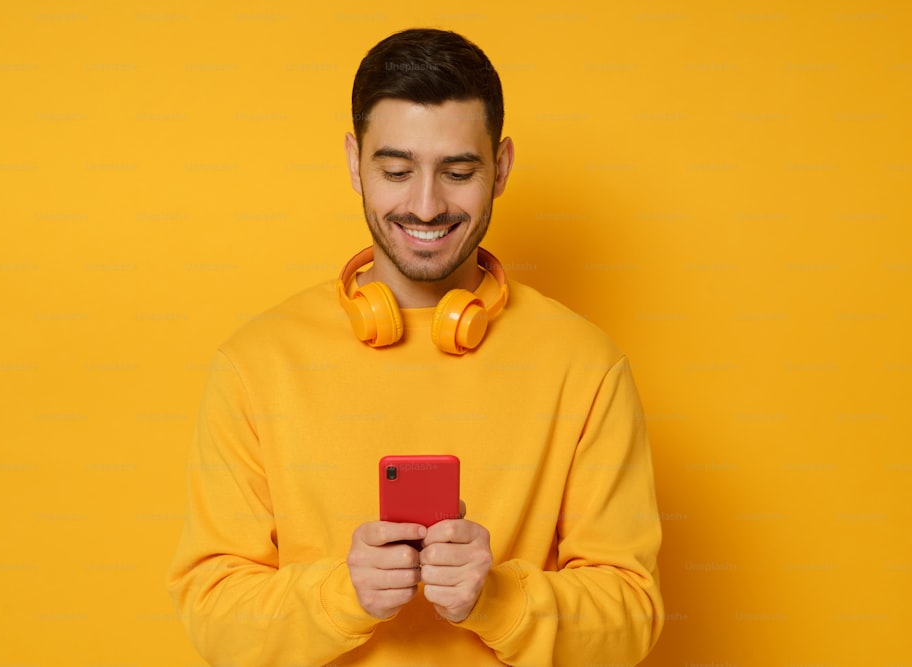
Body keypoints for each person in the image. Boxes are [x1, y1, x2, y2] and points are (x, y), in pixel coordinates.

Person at [167, 28, 664, 666]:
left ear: (502, 166)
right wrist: (342, 595)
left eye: (458, 172)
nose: (426, 206)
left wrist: (500, 599)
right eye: (397, 170)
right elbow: (214, 618)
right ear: (354, 163)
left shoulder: (587, 366)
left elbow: (630, 619)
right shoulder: (255, 364)